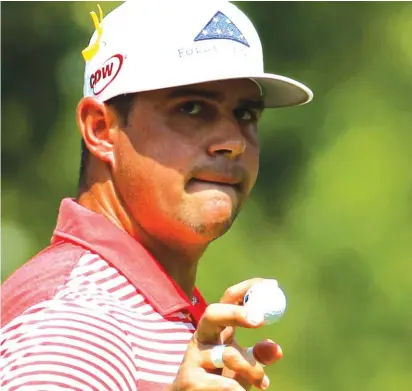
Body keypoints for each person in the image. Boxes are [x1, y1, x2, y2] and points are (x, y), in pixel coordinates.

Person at [1, 1, 313, 390]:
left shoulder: (160, 320)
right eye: (192, 108)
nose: (233, 141)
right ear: (100, 129)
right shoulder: (76, 325)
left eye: (245, 114)